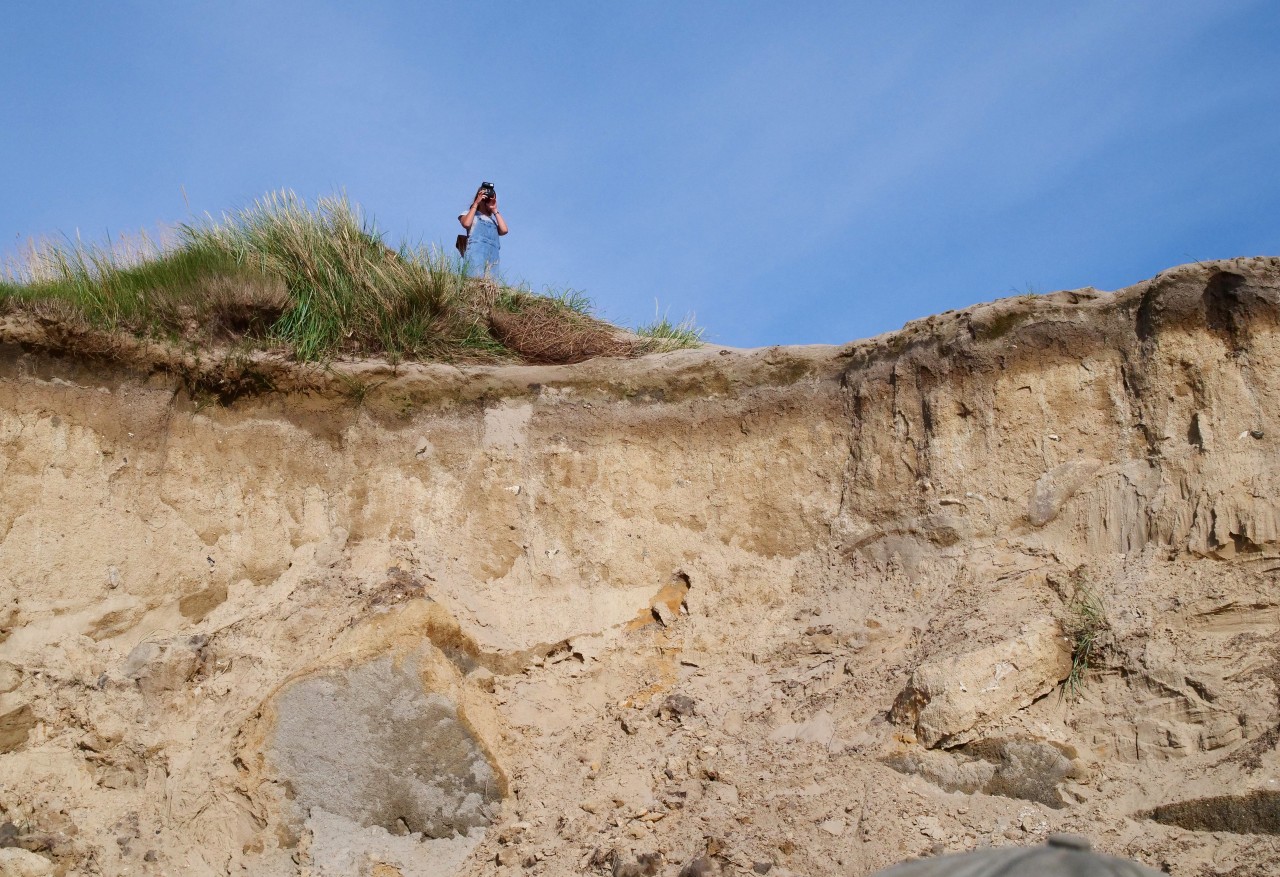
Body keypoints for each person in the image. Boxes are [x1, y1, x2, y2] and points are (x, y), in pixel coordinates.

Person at [458, 182, 508, 276]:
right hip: (475, 257)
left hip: (492, 259)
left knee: (490, 282)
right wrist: (476, 203)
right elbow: (466, 223)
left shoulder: (493, 221)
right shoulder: (469, 214)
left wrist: (495, 210)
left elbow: (504, 230)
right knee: (472, 280)